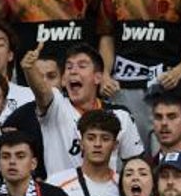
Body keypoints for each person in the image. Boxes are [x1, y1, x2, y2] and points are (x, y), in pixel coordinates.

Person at [97, 0, 181, 143]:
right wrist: (105, 74)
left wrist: (180, 71)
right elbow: (107, 36)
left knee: (170, 157)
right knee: (129, 156)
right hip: (125, 88)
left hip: (167, 88)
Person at [21, 42, 143, 177]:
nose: (73, 71)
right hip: (62, 195)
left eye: (82, 66)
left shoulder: (121, 115)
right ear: (63, 79)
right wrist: (29, 69)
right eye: (69, 67)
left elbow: (134, 163)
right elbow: (42, 92)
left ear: (98, 77)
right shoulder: (56, 106)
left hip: (107, 195)